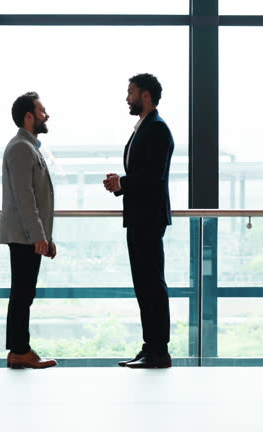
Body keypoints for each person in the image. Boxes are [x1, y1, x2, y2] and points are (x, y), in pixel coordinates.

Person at [103, 73, 175, 369]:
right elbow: (145, 174)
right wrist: (122, 184)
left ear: (146, 95)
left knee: (151, 284)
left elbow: (151, 176)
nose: (127, 97)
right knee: (144, 284)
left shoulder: (157, 129)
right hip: (140, 217)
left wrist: (123, 182)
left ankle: (158, 351)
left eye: (131, 92)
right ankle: (151, 348)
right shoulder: (146, 128)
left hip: (147, 218)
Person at [0, 91, 58, 369]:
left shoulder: (29, 146)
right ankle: (20, 350)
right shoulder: (21, 148)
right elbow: (25, 198)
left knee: (24, 292)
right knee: (22, 293)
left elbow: (35, 198)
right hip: (24, 236)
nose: (47, 115)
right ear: (29, 116)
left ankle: (20, 350)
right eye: (42, 111)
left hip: (28, 235)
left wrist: (45, 236)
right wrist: (38, 236)